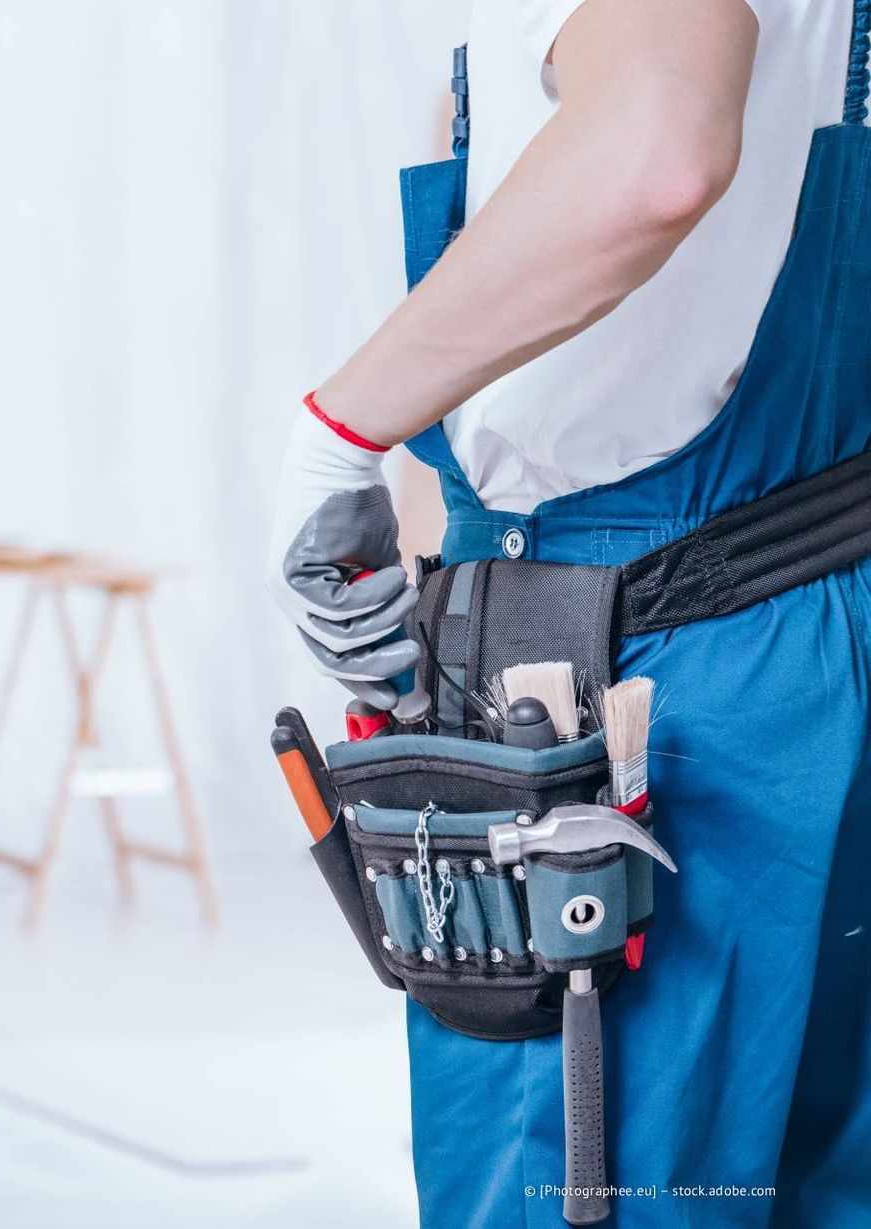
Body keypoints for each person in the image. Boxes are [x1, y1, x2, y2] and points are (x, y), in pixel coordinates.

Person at [267, 1, 870, 1225]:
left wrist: (338, 435)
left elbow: (654, 151)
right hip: (818, 612)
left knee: (576, 1187)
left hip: (638, 673)